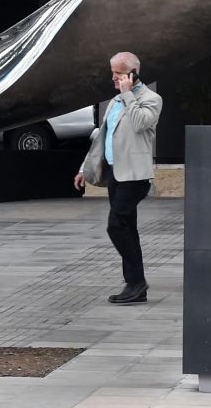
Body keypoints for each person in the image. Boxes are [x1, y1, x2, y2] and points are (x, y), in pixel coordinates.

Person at [74, 52, 163, 304]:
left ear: (133, 73)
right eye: (112, 72)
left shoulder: (152, 99)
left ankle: (137, 282)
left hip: (135, 175)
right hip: (115, 172)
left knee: (116, 224)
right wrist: (84, 168)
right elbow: (102, 137)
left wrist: (127, 95)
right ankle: (135, 286)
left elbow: (139, 124)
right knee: (128, 228)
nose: (113, 77)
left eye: (118, 73)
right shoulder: (114, 102)